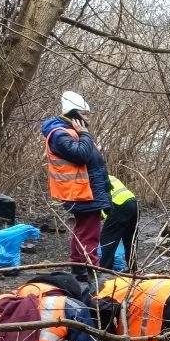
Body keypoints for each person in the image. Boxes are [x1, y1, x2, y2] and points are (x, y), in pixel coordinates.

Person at [41, 92, 110, 282]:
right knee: (89, 234)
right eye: (85, 114)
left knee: (83, 231)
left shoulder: (69, 132)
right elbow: (81, 155)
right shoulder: (60, 134)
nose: (88, 119)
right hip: (81, 192)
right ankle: (91, 273)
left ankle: (79, 271)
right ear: (74, 114)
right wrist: (86, 136)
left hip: (85, 190)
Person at [100, 175, 139, 273]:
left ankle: (105, 271)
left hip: (119, 205)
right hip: (134, 203)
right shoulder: (108, 176)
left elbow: (100, 206)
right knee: (130, 240)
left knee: (107, 239)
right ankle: (133, 270)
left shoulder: (93, 178)